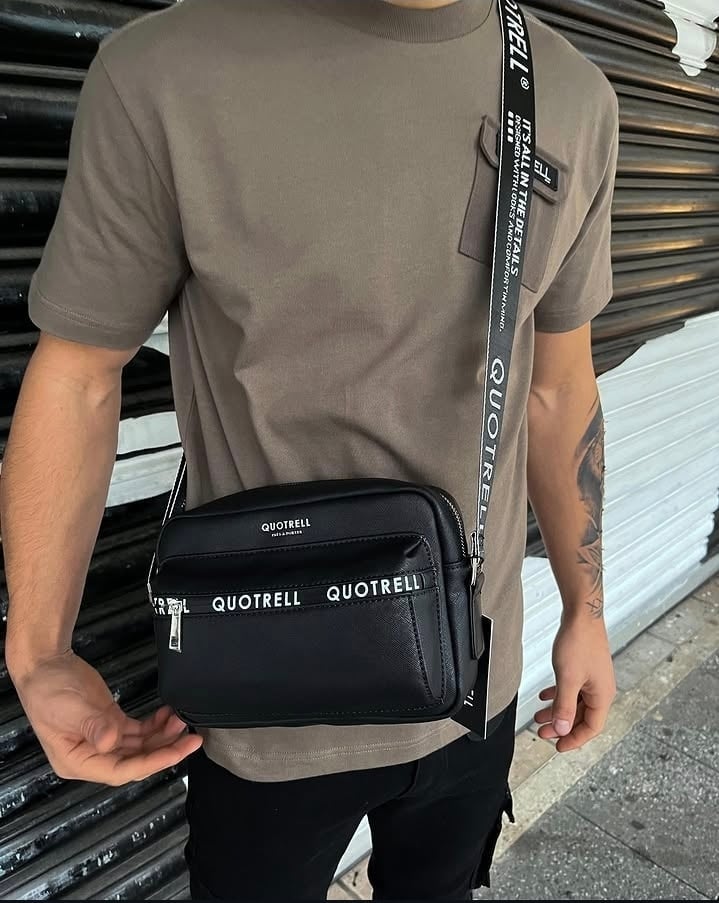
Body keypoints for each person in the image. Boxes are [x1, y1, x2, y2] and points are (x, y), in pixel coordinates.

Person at [1, 0, 620, 898]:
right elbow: (79, 374)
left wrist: (585, 609)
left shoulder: (569, 92)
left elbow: (558, 385)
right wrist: (40, 650)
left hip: (473, 684)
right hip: (263, 714)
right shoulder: (168, 69)